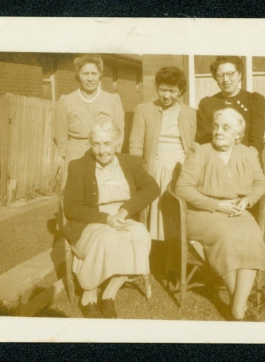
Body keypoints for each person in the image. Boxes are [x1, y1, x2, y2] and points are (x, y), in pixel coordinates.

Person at [175, 107, 265, 321]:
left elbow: (261, 183)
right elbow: (182, 188)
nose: (218, 131)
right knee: (228, 237)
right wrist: (217, 205)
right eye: (216, 126)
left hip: (237, 212)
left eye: (225, 128)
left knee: (252, 236)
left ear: (237, 134)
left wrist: (247, 200)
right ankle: (239, 309)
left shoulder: (248, 153)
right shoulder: (200, 152)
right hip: (203, 213)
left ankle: (237, 305)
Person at [63, 121, 159, 319]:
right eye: (96, 144)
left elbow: (152, 188)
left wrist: (124, 212)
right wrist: (107, 219)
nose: (102, 150)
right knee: (108, 237)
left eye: (107, 143)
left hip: (122, 218)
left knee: (140, 235)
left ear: (117, 143)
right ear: (90, 145)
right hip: (91, 222)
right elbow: (71, 207)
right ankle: (88, 294)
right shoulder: (78, 166)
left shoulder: (131, 163)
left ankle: (109, 294)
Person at [129, 66, 197, 242]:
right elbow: (135, 145)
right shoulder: (144, 109)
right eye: (163, 90)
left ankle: (176, 249)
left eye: (172, 91)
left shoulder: (190, 113)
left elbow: (193, 145)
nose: (167, 95)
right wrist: (138, 173)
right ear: (157, 88)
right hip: (155, 166)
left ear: (180, 91)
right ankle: (155, 249)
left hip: (182, 168)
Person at [54, 53, 125, 188]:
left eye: (94, 73)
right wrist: (66, 157)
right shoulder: (66, 101)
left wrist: (112, 154)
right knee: (75, 197)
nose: (90, 78)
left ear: (100, 76)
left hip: (105, 155)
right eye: (85, 74)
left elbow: (119, 132)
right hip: (76, 156)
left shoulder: (112, 100)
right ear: (78, 76)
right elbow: (61, 135)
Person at [196, 56, 265, 166]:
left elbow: (256, 141)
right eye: (220, 75)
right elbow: (205, 141)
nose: (225, 79)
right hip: (217, 164)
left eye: (230, 74)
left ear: (240, 75)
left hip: (246, 163)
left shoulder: (254, 101)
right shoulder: (207, 103)